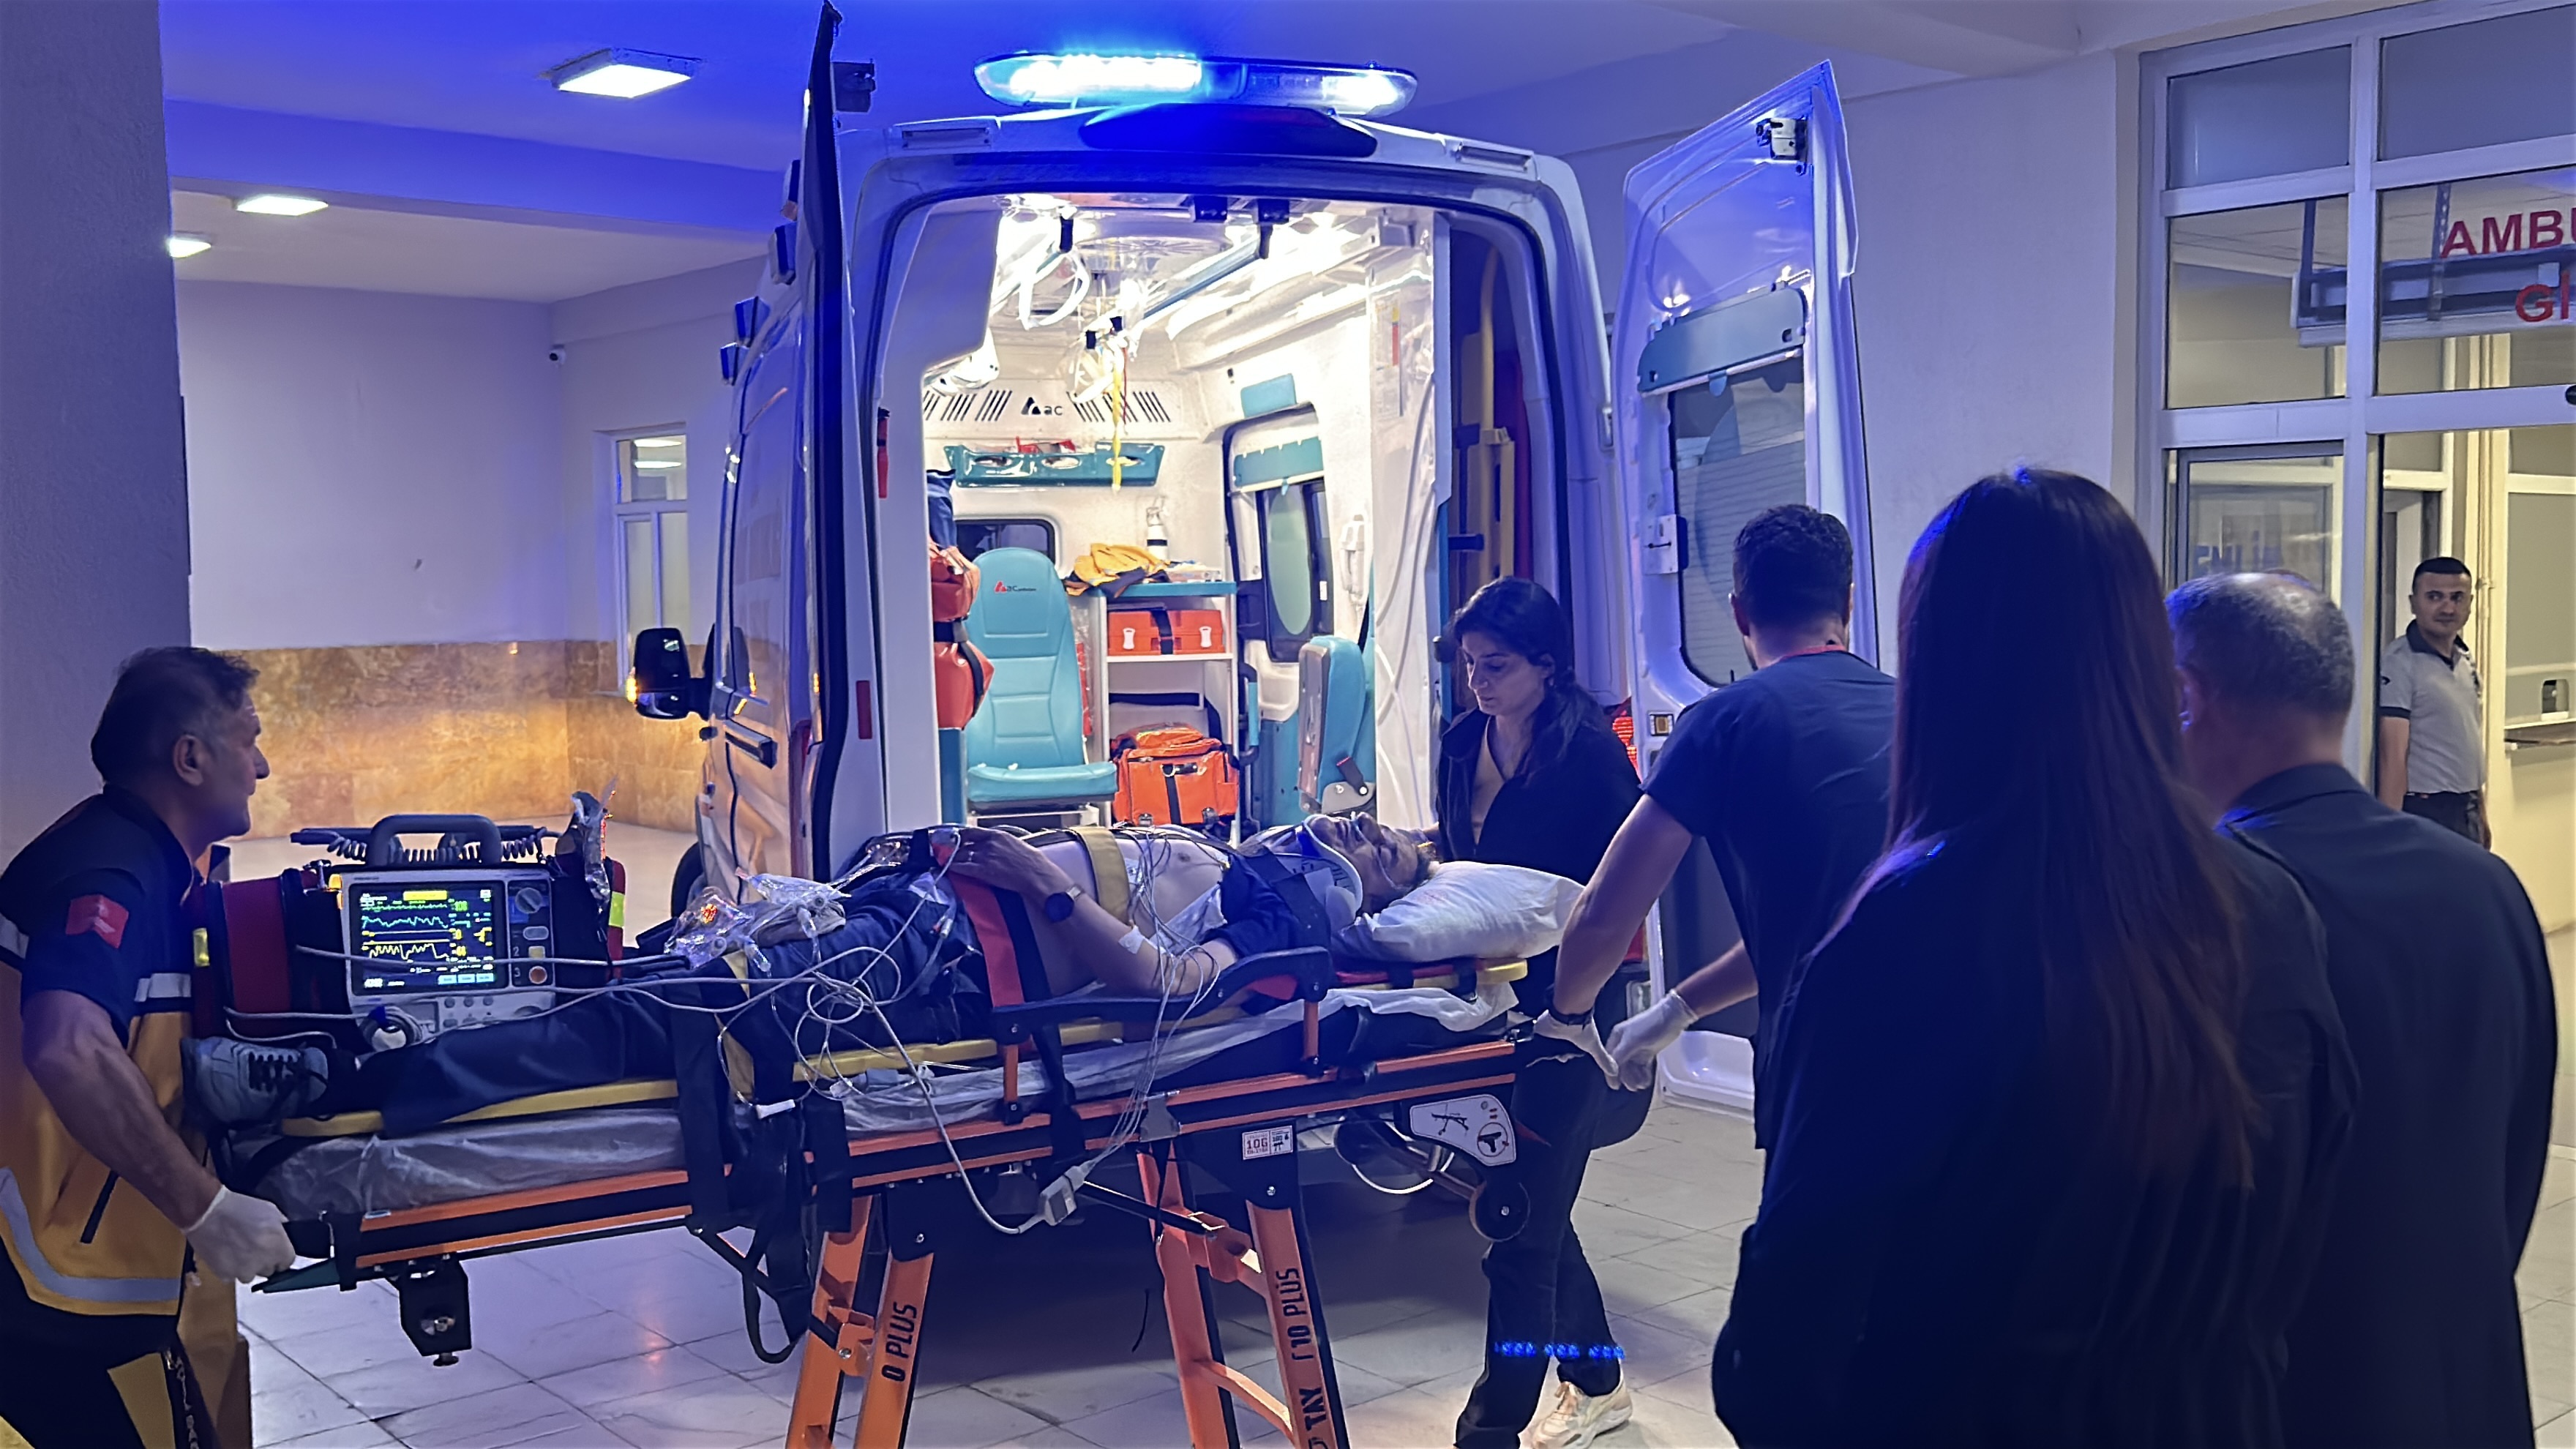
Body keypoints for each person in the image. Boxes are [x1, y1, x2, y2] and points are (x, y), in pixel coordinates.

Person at [1710, 471, 2354, 1447]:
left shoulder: (1906, 934)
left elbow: (1787, 1338)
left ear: (1937, 666)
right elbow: (2312, 1215)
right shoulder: (2266, 903)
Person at [192, 815, 1439, 1135]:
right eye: (1369, 820)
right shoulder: (1245, 854)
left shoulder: (1286, 918)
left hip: (938, 966)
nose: (1356, 826)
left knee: (656, 1016)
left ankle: (334, 1080)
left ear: (1371, 895)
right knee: (647, 969)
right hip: (911, 915)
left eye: (1381, 847)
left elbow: (1168, 984)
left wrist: (1044, 882)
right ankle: (359, 1047)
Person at [2170, 572, 2555, 1449]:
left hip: (2295, 1396)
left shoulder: (2210, 908)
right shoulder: (2487, 889)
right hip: (2467, 1382)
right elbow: (2514, 1155)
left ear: (2185, 699)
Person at [0, 648, 296, 1447]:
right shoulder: (113, 873)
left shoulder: (144, 861)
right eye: (249, 740)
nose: (262, 767)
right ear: (190, 758)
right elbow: (67, 1045)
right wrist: (203, 1208)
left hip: (59, 1280)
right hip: (42, 1294)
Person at [1549, 505, 1894, 1145]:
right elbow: (1818, 928)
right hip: (1972, 1057)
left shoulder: (1723, 722)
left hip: (1830, 1072)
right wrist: (1676, 1011)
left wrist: (1565, 1022)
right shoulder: (1917, 709)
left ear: (1739, 613)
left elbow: (1604, 912)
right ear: (1848, 601)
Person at [1431, 578, 1643, 1449]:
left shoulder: (1590, 758)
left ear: (1547, 666)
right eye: (1468, 665)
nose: (1478, 683)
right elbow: (1459, 865)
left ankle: (1492, 1428)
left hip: (1570, 1007)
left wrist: (1576, 1003)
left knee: (1519, 1226)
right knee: (1529, 1203)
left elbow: (1625, 890)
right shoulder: (1461, 742)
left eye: (1497, 666)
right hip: (1486, 999)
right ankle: (1597, 1380)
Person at [2376, 556, 2487, 845]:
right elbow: (2392, 755)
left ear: (2470, 603)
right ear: (2413, 603)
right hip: (2426, 810)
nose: (2448, 608)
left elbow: (2468, 740)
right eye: (2435, 597)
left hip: (2466, 809)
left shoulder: (2465, 660)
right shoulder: (2399, 663)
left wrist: (2481, 813)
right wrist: (2389, 830)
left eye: (2457, 598)